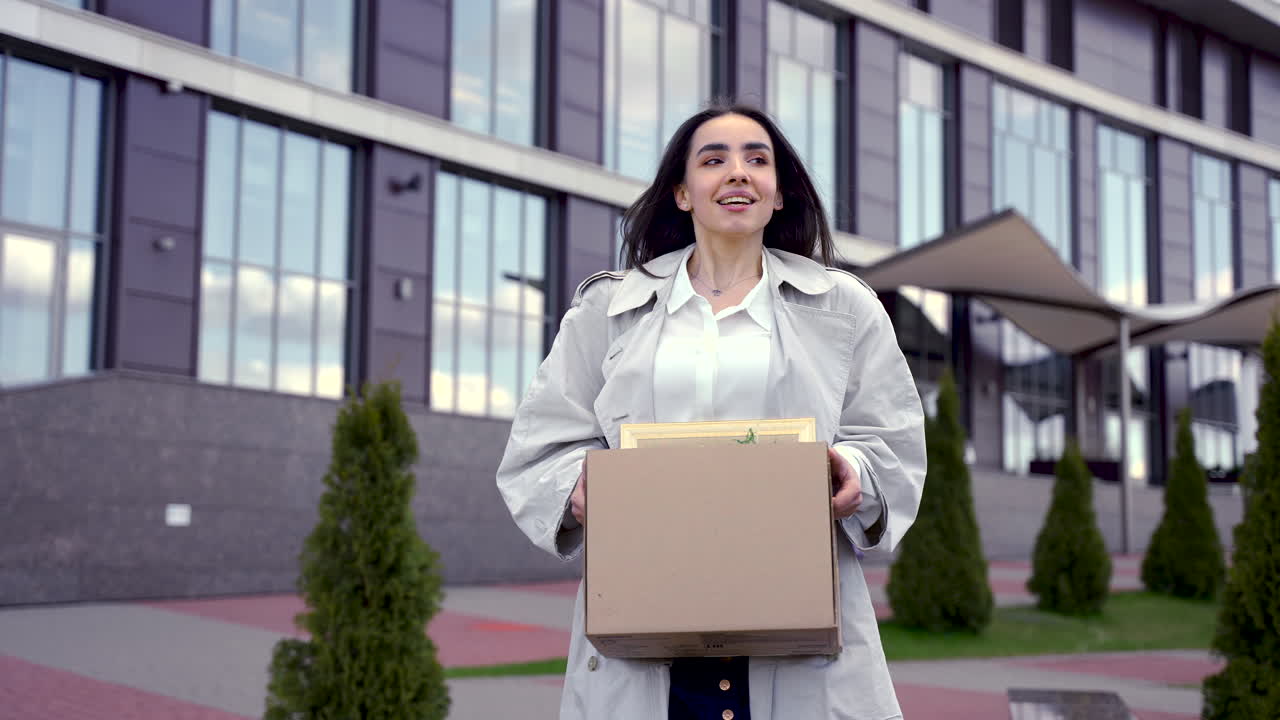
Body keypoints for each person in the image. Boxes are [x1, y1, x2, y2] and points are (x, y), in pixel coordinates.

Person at [496, 101, 926, 720]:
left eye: (757, 159)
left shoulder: (844, 307)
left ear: (779, 194)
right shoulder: (608, 309)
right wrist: (582, 488)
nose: (738, 173)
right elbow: (542, 446)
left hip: (796, 620)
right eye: (713, 159)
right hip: (645, 620)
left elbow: (892, 441)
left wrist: (853, 471)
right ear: (681, 192)